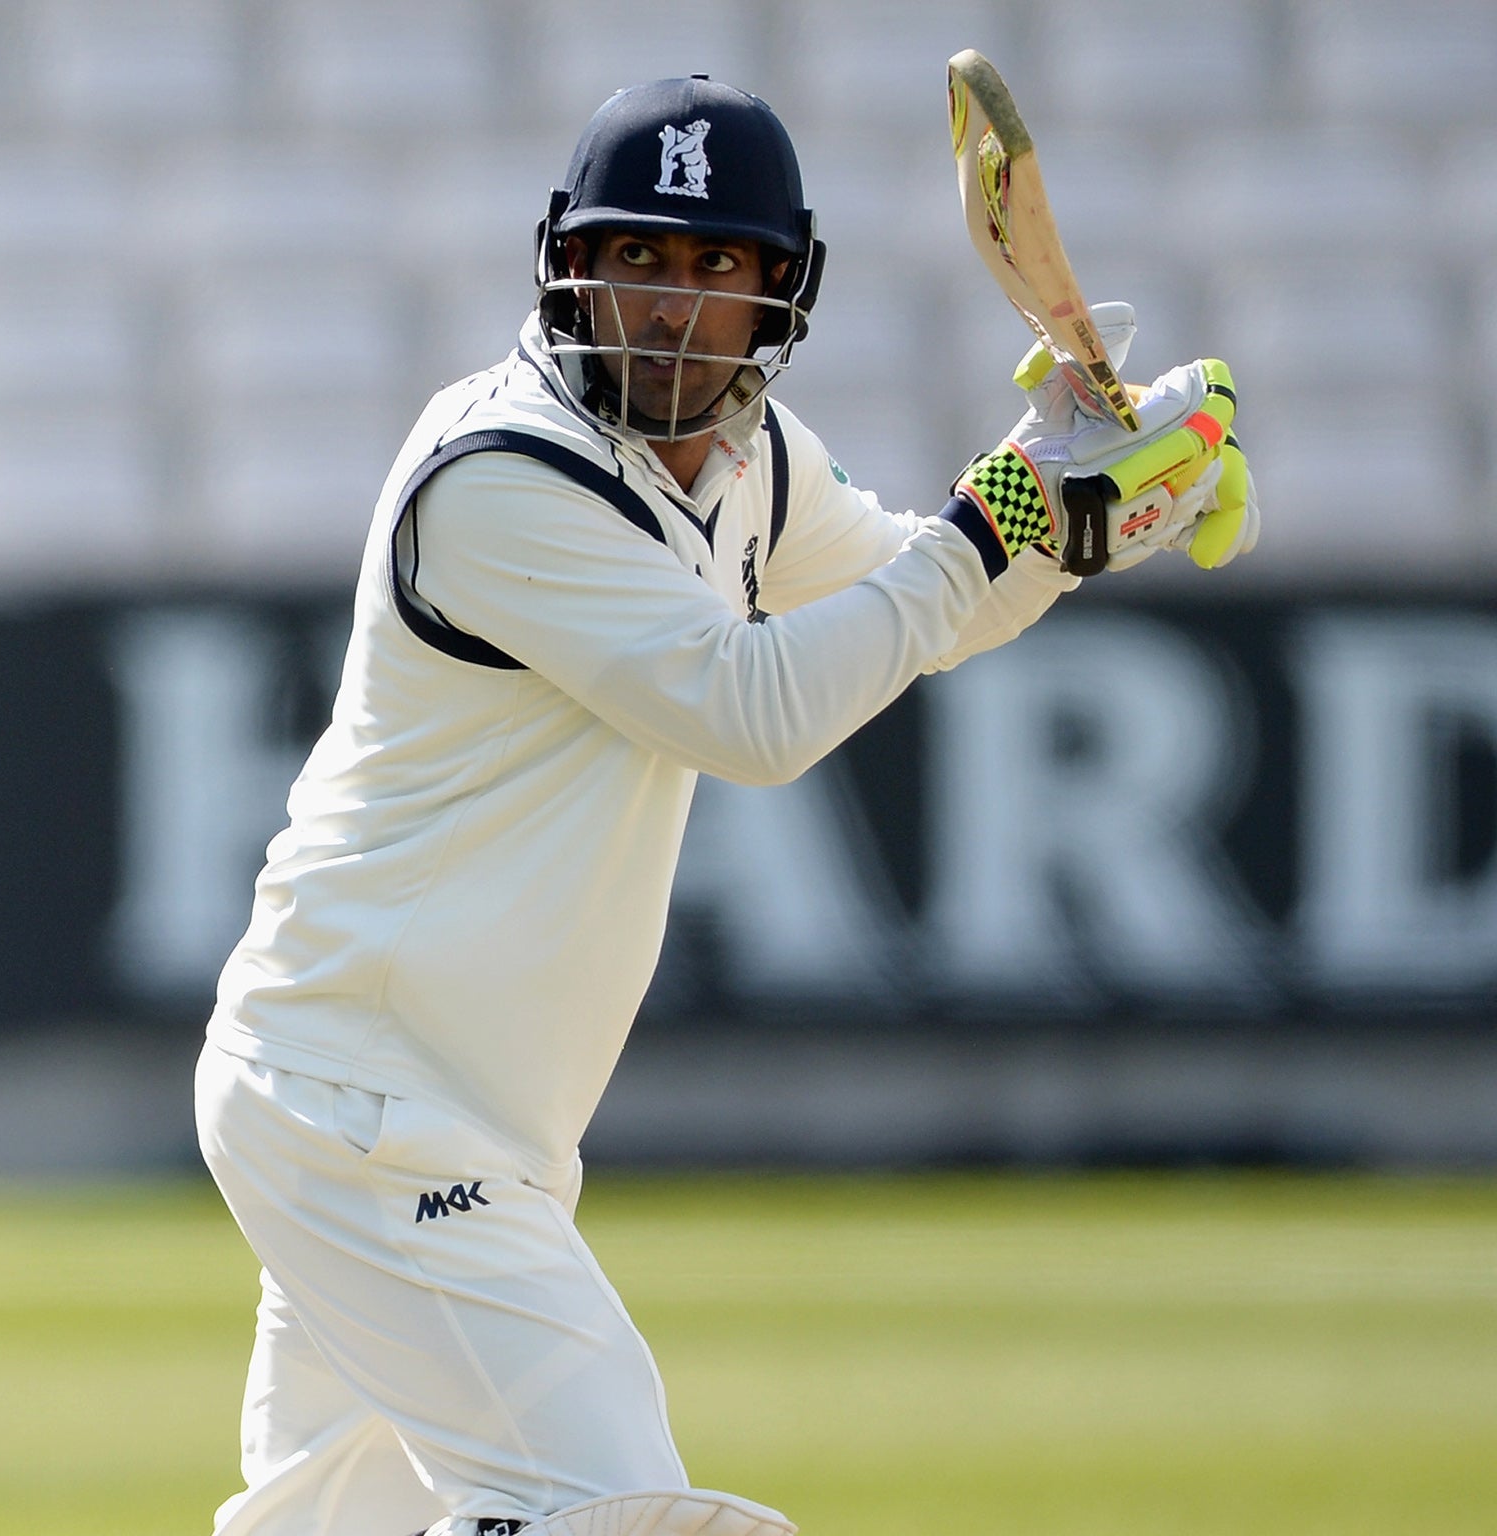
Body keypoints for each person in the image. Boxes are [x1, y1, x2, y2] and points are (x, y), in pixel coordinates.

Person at [193, 76, 1258, 1536]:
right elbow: (753, 710)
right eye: (639, 259)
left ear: (780, 292)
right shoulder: (499, 479)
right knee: (624, 1510)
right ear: (570, 262)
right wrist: (1018, 507)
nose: (677, 306)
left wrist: (1093, 514)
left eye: (717, 267)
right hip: (366, 1107)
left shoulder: (754, 462)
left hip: (456, 1116)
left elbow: (914, 601)